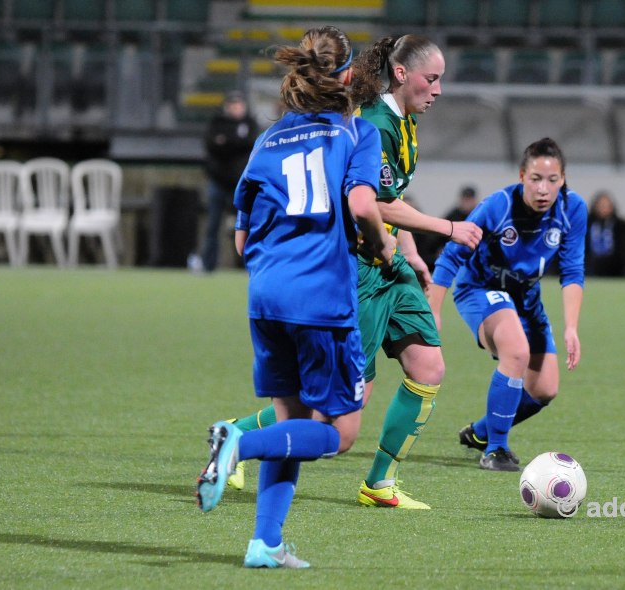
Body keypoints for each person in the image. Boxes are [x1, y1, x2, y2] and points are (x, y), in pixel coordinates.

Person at [222, 35, 483, 509]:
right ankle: (239, 438)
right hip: (357, 272)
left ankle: (379, 482)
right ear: (402, 75)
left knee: (429, 366)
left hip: (389, 266)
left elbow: (393, 197)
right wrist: (446, 228)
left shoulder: (404, 122)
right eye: (432, 78)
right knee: (335, 418)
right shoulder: (374, 124)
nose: (438, 89)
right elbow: (371, 203)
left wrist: (412, 253)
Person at [195, 26, 396, 569]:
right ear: (349, 75)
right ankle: (236, 443)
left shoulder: (269, 138)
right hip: (321, 298)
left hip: (265, 296)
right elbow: (360, 205)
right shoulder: (356, 133)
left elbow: (240, 238)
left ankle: (265, 543)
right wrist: (383, 247)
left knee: (291, 423)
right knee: (340, 434)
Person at [427, 137, 587, 472]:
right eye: (536, 179)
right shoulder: (497, 207)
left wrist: (571, 327)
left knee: (545, 389)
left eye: (552, 180)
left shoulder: (573, 209)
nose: (544, 189)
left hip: (526, 298)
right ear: (521, 176)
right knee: (516, 350)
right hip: (479, 290)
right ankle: (496, 449)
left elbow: (572, 271)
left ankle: (482, 432)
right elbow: (450, 259)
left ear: (563, 179)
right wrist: (433, 312)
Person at [190, 90, 259, 273]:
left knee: (246, 225)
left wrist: (227, 143)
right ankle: (208, 265)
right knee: (212, 226)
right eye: (233, 105)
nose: (236, 109)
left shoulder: (250, 124)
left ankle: (248, 265)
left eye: (239, 105)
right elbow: (212, 145)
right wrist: (236, 143)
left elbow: (251, 145)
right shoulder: (216, 123)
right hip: (218, 183)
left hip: (241, 185)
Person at [421, 185, 480, 269]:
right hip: (453, 255)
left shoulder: (478, 215)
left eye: (469, 200)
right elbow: (438, 236)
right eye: (465, 199)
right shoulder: (453, 215)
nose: (467, 203)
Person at [585, 190, 625, 277]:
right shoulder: (586, 223)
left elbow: (623, 248)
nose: (603, 209)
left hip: (613, 262)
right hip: (590, 260)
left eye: (606, 206)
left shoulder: (620, 225)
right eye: (601, 206)